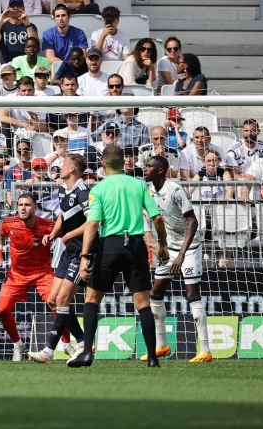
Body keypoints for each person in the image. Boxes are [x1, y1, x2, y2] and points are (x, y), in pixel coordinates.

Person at [68, 144, 168, 368]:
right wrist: (162, 246)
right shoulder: (139, 185)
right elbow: (157, 218)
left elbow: (92, 224)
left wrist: (85, 256)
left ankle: (87, 354)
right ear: (124, 163)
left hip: (109, 245)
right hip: (135, 245)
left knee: (92, 299)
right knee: (142, 303)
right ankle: (152, 357)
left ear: (103, 164)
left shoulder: (98, 190)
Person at [143, 156, 212, 363]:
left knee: (192, 293)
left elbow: (193, 221)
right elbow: (147, 217)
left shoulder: (175, 190)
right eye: (145, 166)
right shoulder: (148, 191)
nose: (145, 169)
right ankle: (162, 345)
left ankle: (206, 350)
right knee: (155, 293)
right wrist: (157, 246)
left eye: (149, 166)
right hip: (169, 248)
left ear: (161, 170)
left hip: (189, 248)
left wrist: (181, 254)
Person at [29, 154, 91, 363]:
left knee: (64, 299)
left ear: (72, 169)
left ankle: (48, 351)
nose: (60, 168)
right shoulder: (63, 188)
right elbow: (63, 215)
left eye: (63, 165)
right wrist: (53, 234)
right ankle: (82, 341)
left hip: (83, 251)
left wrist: (71, 235)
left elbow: (93, 223)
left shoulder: (84, 193)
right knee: (53, 300)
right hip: (68, 250)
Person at [0, 193, 54, 361]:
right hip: (17, 273)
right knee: (2, 309)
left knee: (58, 305)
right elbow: (0, 233)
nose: (23, 208)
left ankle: (69, 345)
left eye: (27, 205)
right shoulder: (9, 223)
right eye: (20, 205)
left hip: (42, 273)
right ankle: (18, 345)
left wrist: (54, 237)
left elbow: (66, 233)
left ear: (35, 208)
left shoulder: (48, 226)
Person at [0, 0, 38, 64]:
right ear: (8, 8)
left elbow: (35, 44)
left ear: (23, 8)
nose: (15, 8)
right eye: (13, 6)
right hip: (7, 65)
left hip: (26, 64)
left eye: (19, 6)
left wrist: (27, 24)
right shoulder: (2, 26)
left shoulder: (30, 26)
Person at [4, 138, 33, 206]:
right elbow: (9, 196)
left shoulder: (37, 169)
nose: (22, 153)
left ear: (31, 151)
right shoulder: (11, 171)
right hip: (18, 208)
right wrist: (17, 210)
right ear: (17, 152)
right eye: (20, 150)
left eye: (25, 150)